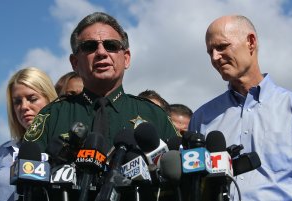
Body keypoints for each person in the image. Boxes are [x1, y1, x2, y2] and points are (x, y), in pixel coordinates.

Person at [24, 12, 178, 201]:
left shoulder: (154, 115)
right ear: (74, 62)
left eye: (111, 46)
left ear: (126, 58)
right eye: (89, 46)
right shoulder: (51, 116)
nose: (101, 52)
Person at [189, 15, 292, 200]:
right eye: (210, 51)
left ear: (251, 42)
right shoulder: (201, 118)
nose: (215, 57)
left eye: (222, 46)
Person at [0, 67, 57, 201]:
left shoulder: (66, 149)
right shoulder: (3, 152)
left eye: (32, 98)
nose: (24, 107)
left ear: (50, 99)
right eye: (17, 102)